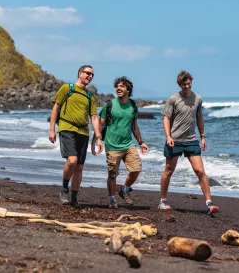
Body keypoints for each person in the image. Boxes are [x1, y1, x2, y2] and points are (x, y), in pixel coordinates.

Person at [158, 70, 220, 215]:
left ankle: (209, 203)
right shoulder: (173, 99)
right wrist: (168, 136)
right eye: (184, 84)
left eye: (189, 83)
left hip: (191, 140)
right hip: (175, 140)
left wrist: (203, 136)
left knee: (200, 171)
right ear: (179, 84)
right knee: (168, 170)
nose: (187, 86)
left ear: (191, 82)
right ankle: (163, 200)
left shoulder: (197, 99)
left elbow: (199, 118)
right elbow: (166, 118)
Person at [92, 77, 149, 209]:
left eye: (122, 86)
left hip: (128, 144)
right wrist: (98, 141)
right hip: (112, 146)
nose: (118, 88)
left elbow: (134, 126)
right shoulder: (109, 105)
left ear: (128, 90)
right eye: (117, 86)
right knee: (112, 174)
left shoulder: (133, 106)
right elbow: (100, 124)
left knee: (136, 169)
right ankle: (112, 199)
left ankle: (124, 189)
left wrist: (141, 142)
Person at [49, 65, 101, 207]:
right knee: (72, 160)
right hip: (67, 128)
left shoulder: (89, 96)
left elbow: (94, 117)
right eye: (88, 73)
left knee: (79, 167)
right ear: (80, 73)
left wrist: (98, 138)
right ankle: (64, 189)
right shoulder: (67, 88)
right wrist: (52, 129)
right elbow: (56, 107)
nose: (90, 76)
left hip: (83, 132)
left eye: (92, 75)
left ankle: (74, 196)